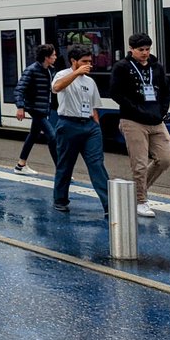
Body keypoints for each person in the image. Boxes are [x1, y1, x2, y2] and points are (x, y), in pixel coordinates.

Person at [109, 33, 170, 218]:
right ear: (131, 49)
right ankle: (140, 200)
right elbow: (115, 93)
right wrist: (136, 109)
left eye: (147, 49)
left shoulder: (157, 67)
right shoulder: (121, 67)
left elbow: (166, 90)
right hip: (132, 120)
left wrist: (162, 111)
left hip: (156, 119)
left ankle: (137, 190)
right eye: (141, 50)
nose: (145, 53)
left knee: (165, 159)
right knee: (139, 163)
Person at [50, 43, 109, 216]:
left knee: (97, 164)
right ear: (73, 61)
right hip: (68, 124)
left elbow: (94, 107)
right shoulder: (62, 74)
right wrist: (76, 73)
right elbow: (56, 88)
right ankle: (60, 200)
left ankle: (109, 205)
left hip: (89, 126)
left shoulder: (90, 81)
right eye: (84, 61)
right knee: (65, 165)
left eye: (90, 62)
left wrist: (96, 126)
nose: (88, 65)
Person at [13, 44, 58, 175]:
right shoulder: (31, 70)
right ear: (46, 57)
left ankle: (21, 165)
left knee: (33, 135)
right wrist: (20, 107)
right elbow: (19, 89)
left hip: (43, 107)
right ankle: (61, 170)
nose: (55, 57)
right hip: (35, 108)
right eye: (53, 55)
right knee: (52, 137)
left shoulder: (50, 70)